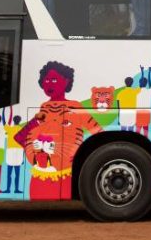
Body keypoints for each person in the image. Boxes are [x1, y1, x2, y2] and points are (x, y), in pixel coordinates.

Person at [15, 61, 102, 200]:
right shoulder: (44, 107)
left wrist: (81, 154)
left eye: (54, 79)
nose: (49, 84)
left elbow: (97, 131)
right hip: (40, 173)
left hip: (65, 172)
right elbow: (20, 137)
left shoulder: (75, 106)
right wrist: (33, 152)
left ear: (66, 81)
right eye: (46, 80)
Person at [3, 115, 24, 194]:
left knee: (9, 173)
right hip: (19, 151)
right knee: (17, 174)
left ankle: (8, 189)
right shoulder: (22, 130)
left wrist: (2, 111)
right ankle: (16, 189)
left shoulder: (10, 129)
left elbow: (4, 122)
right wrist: (22, 158)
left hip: (10, 151)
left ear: (13, 121)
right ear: (19, 121)